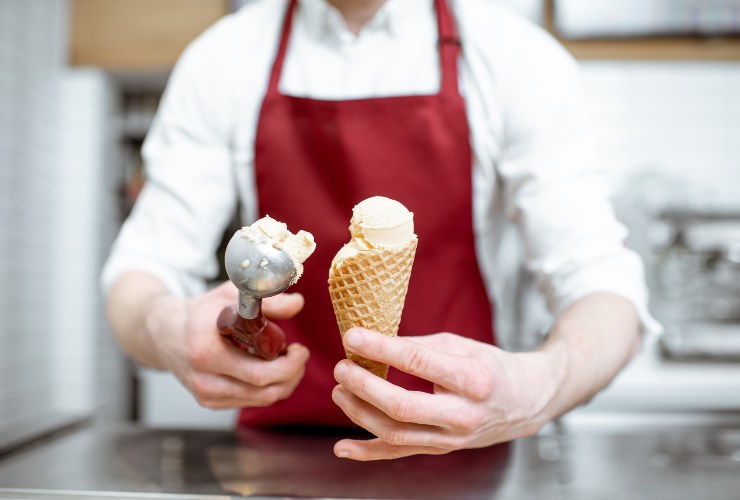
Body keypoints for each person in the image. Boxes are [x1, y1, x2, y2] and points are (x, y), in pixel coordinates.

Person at [103, 0, 660, 461]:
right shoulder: (223, 58)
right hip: (277, 463)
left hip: (464, 455)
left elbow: (602, 284)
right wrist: (166, 326)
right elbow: (142, 270)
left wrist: (541, 384)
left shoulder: (515, 58)